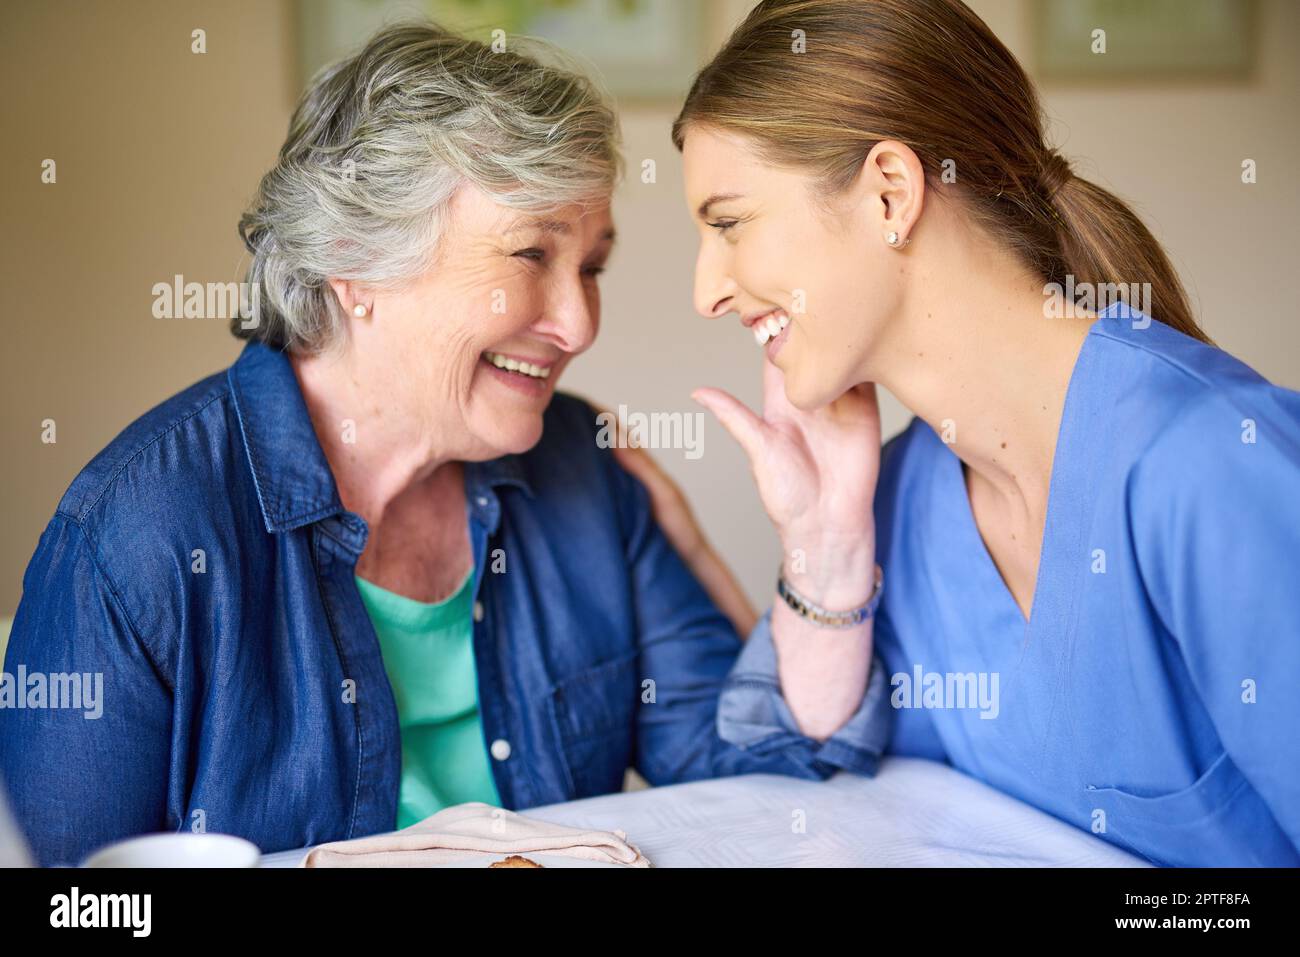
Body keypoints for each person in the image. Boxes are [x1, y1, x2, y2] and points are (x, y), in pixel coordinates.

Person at [0, 21, 890, 867]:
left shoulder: (580, 462)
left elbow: (759, 777)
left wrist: (827, 546)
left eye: (591, 266)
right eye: (529, 255)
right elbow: (72, 900)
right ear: (354, 263)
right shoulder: (136, 533)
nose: (579, 324)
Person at [681, 0, 1300, 866]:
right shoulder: (900, 498)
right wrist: (828, 546)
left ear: (890, 192)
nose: (707, 289)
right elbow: (787, 772)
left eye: (728, 223)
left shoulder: (1204, 466)